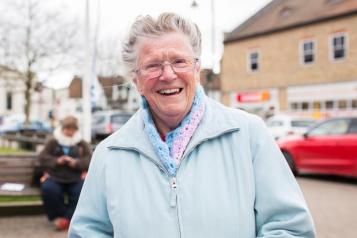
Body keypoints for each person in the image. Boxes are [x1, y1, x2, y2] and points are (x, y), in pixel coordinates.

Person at [69, 13, 315, 237]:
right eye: (153, 65)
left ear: (196, 69)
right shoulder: (109, 153)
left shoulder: (248, 134)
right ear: (136, 80)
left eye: (179, 61)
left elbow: (289, 227)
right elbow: (88, 232)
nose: (167, 74)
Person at [38, 115, 92, 230]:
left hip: (76, 177)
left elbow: (89, 160)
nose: (69, 132)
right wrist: (57, 160)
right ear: (62, 129)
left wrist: (76, 163)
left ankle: (66, 220)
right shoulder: (53, 142)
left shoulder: (81, 143)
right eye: (67, 129)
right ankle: (63, 217)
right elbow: (42, 158)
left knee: (82, 192)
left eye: (72, 129)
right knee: (49, 189)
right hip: (55, 176)